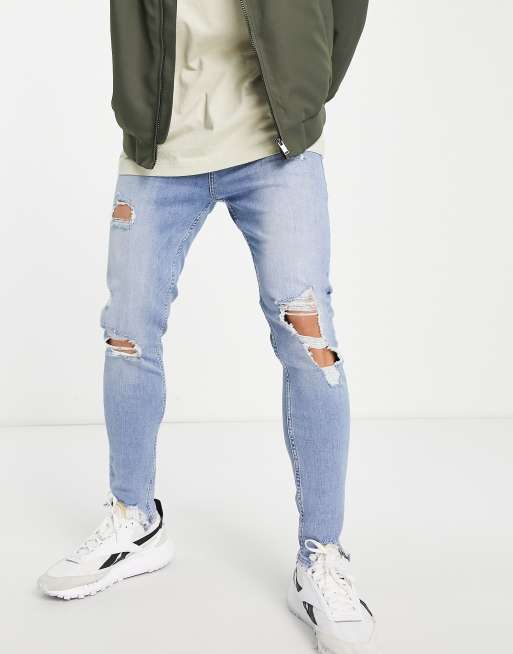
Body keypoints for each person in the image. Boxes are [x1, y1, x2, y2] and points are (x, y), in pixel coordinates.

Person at [38, 1, 377, 651]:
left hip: (277, 151)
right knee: (127, 332)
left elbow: (346, 11)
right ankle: (135, 520)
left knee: (310, 343)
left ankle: (321, 557)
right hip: (159, 157)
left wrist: (302, 95)